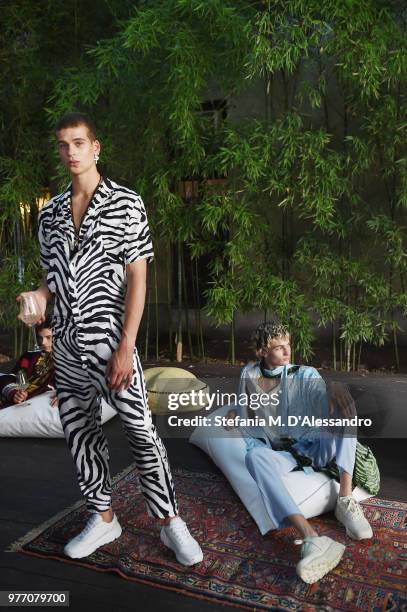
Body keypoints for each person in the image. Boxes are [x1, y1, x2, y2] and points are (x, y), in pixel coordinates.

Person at [16, 112, 203, 565]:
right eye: (63, 145)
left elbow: (138, 279)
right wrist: (36, 297)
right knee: (79, 431)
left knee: (140, 429)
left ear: (95, 147)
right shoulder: (51, 214)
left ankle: (169, 521)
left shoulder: (126, 203)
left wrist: (126, 346)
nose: (71, 152)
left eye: (78, 143)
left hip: (110, 340)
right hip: (65, 342)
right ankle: (102, 518)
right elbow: (52, 280)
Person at [225, 321, 373, 584]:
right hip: (283, 453)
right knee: (253, 457)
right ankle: (311, 538)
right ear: (261, 351)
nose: (287, 352)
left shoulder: (304, 375)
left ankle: (345, 499)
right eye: (278, 347)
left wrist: (335, 387)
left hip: (315, 447)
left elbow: (322, 389)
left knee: (344, 410)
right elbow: (242, 400)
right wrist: (236, 412)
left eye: (288, 345)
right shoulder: (247, 374)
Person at [0, 317, 55, 409]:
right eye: (40, 338)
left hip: (34, 405)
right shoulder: (28, 357)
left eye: (49, 337)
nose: (43, 342)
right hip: (12, 401)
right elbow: (14, 375)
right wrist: (14, 393)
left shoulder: (69, 361)